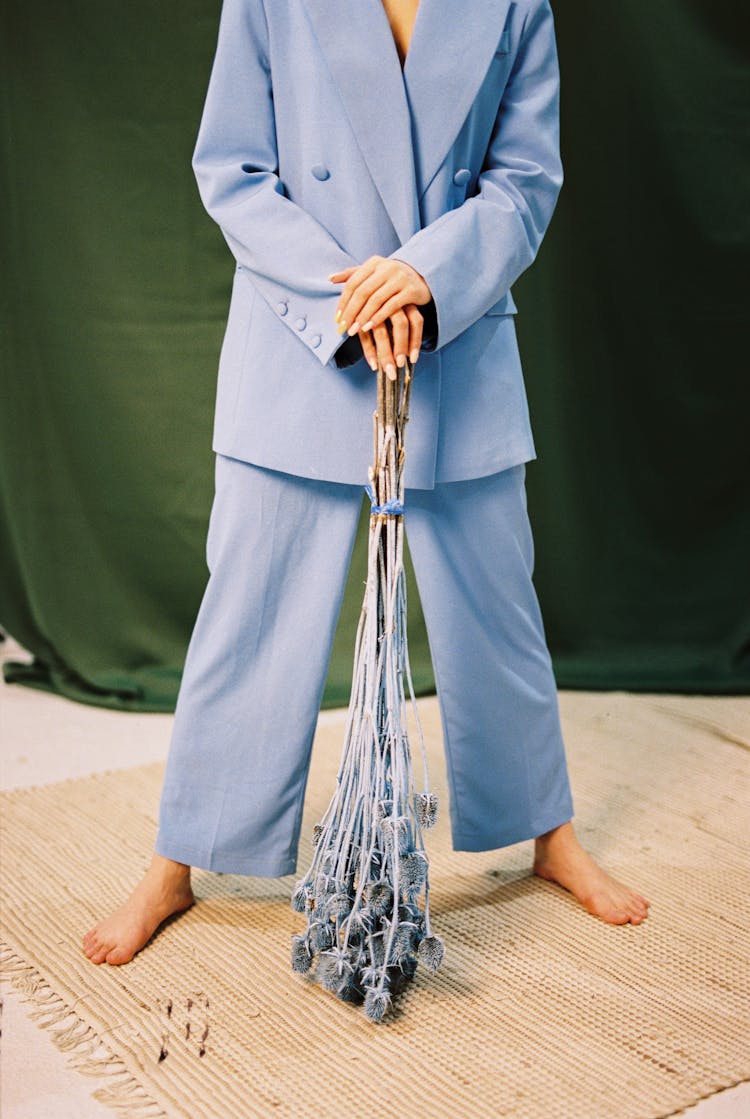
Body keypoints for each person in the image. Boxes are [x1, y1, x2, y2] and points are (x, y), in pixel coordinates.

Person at [83, 0, 649, 967]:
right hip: (304, 326)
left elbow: (525, 180)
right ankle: (179, 858)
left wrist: (425, 277)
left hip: (455, 329)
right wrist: (355, 295)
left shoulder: (516, 4)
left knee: (497, 603)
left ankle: (548, 834)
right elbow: (233, 170)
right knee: (249, 606)